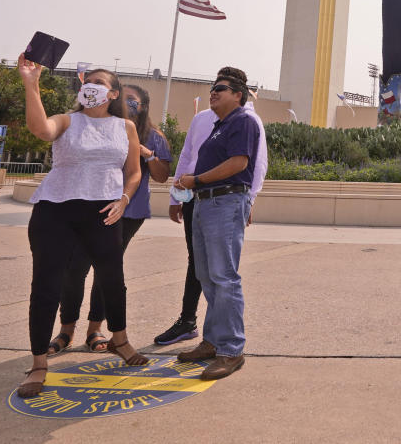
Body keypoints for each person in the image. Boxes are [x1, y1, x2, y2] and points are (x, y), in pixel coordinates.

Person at [16, 56, 147, 399]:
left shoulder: (126, 128)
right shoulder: (67, 120)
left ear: (113, 92)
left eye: (100, 82)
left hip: (103, 211)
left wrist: (124, 200)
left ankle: (119, 339)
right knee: (46, 284)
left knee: (112, 281)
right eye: (87, 81)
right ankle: (39, 363)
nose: (91, 86)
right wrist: (31, 83)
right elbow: (40, 129)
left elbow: (133, 172)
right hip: (55, 210)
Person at [48, 85, 172, 355]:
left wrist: (146, 153)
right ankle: (66, 330)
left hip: (128, 213)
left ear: (144, 105)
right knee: (74, 269)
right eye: (123, 97)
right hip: (89, 208)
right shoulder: (101, 126)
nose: (128, 103)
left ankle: (95, 329)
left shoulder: (154, 136)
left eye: (134, 100)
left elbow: (163, 175)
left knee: (107, 272)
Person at [154, 67, 267, 346]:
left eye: (220, 88)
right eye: (212, 88)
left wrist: (247, 198)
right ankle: (211, 340)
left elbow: (245, 163)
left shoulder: (246, 121)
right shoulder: (214, 123)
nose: (213, 92)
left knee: (223, 275)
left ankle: (229, 348)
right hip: (201, 201)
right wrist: (178, 193)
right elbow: (187, 157)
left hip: (224, 201)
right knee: (205, 273)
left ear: (238, 94)